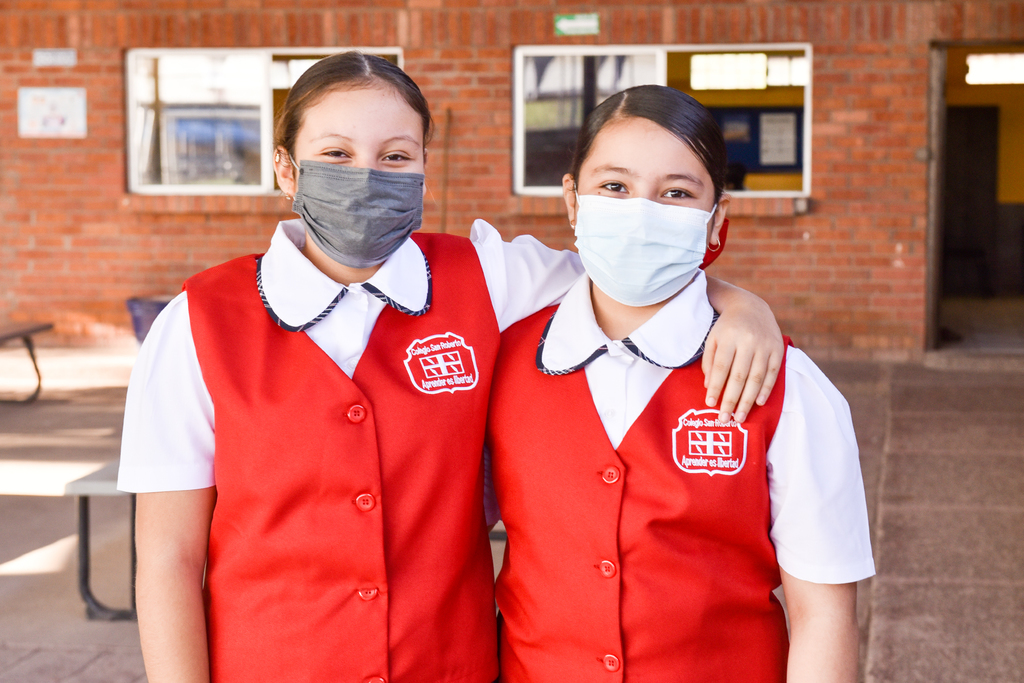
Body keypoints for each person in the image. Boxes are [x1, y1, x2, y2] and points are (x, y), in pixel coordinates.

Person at [117, 54, 784, 683]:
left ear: (423, 168)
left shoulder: (488, 277)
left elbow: (630, 268)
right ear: (287, 170)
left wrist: (738, 300)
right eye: (337, 154)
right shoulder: (198, 323)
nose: (368, 173)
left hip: (450, 663)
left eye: (395, 156)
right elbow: (170, 560)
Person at [486, 85, 875, 683]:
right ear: (572, 200)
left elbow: (823, 616)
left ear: (715, 217)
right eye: (614, 187)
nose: (642, 213)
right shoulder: (505, 362)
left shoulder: (791, 389)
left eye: (676, 193)